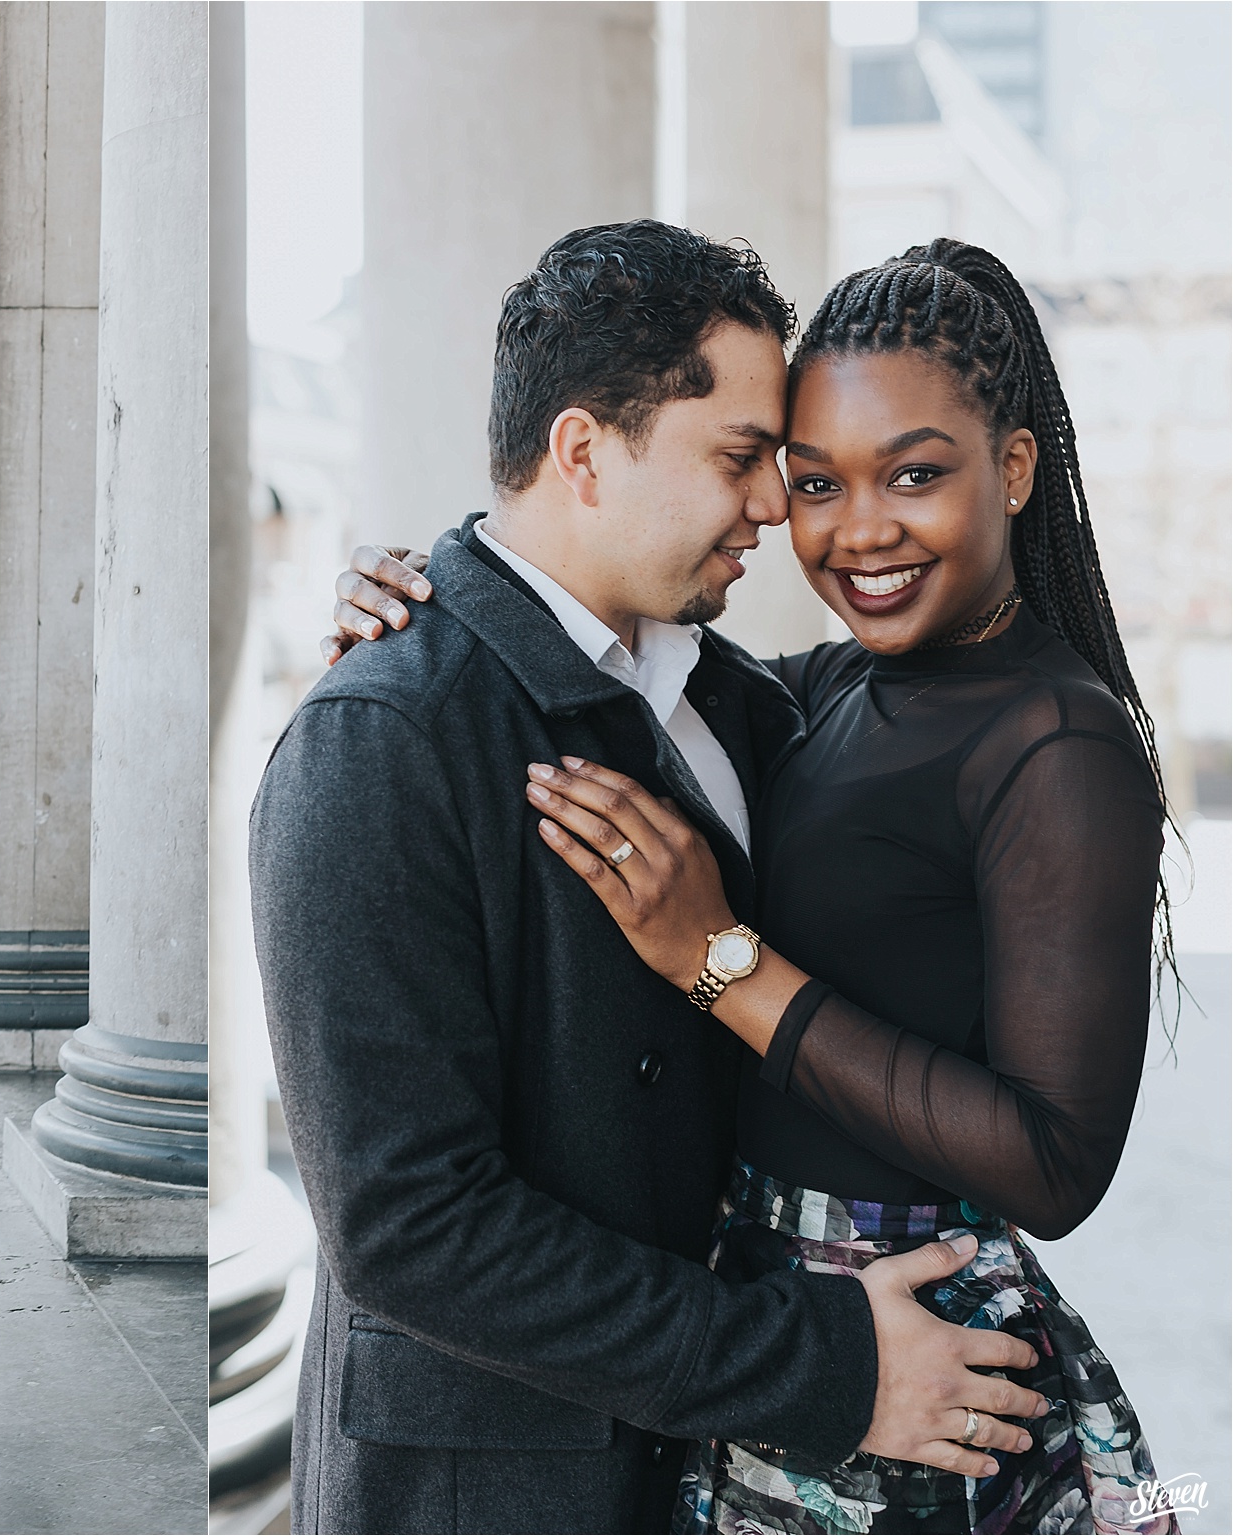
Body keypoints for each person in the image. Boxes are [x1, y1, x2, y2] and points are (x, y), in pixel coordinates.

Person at [326, 239, 1176, 1532]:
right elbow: (561, 647)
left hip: (904, 1338)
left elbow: (1056, 1163)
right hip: (758, 1334)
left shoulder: (1050, 742)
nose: (827, 523)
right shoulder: (804, 692)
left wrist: (724, 962)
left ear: (1012, 470)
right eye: (797, 473)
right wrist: (421, 604)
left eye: (916, 474)